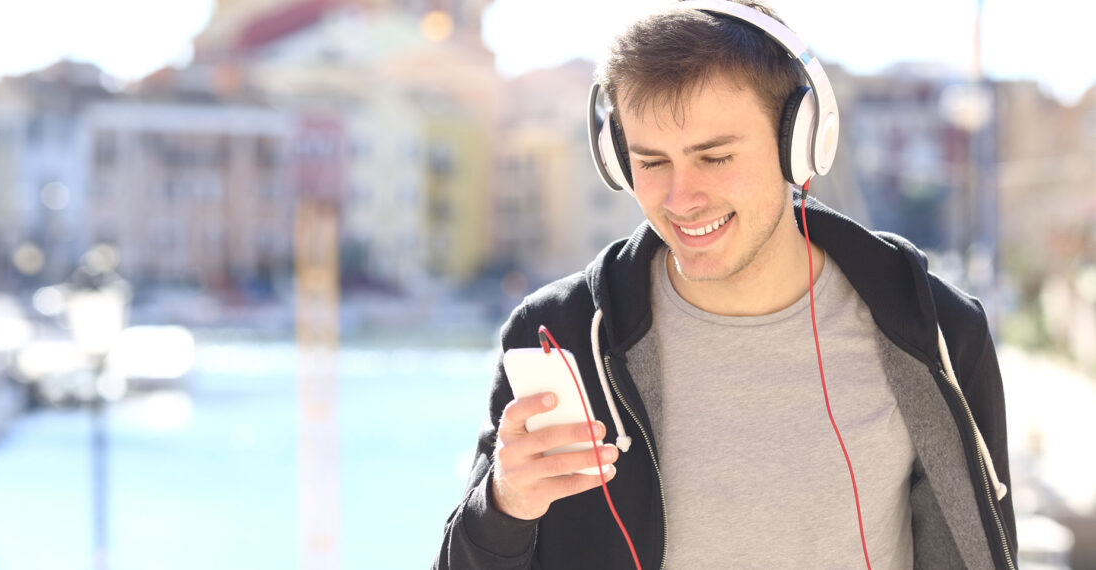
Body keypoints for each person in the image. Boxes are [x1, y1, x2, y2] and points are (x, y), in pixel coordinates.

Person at [435, 1, 1017, 568]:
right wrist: (505, 505)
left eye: (714, 158)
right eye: (652, 161)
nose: (681, 199)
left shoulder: (936, 330)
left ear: (801, 142)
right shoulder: (559, 334)